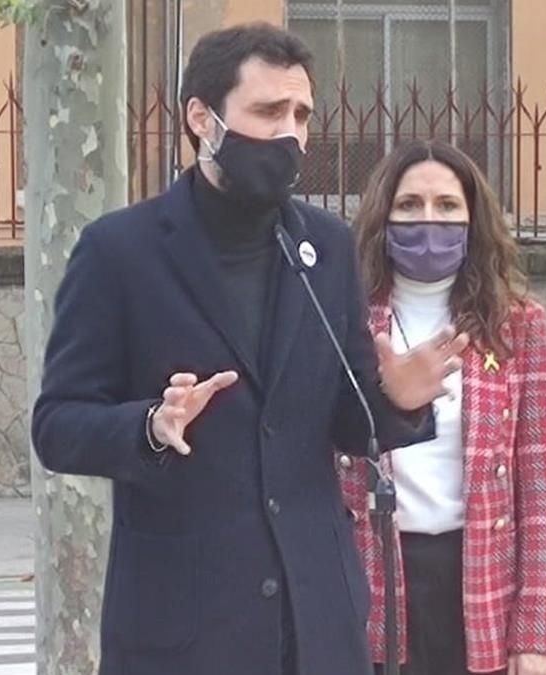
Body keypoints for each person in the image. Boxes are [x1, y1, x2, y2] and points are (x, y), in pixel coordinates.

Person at [31, 23, 470, 675]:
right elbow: (57, 425)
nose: (290, 133)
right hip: (185, 629)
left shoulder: (324, 248)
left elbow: (347, 419)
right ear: (202, 119)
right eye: (268, 112)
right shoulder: (119, 252)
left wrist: (396, 403)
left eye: (301, 115)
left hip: (317, 623)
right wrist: (150, 424)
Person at [340, 140, 546, 675]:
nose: (429, 220)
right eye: (409, 205)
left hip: (477, 585)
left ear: (473, 218)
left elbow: (544, 489)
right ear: (383, 216)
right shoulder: (345, 320)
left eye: (447, 206)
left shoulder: (515, 325)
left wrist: (536, 633)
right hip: (368, 578)